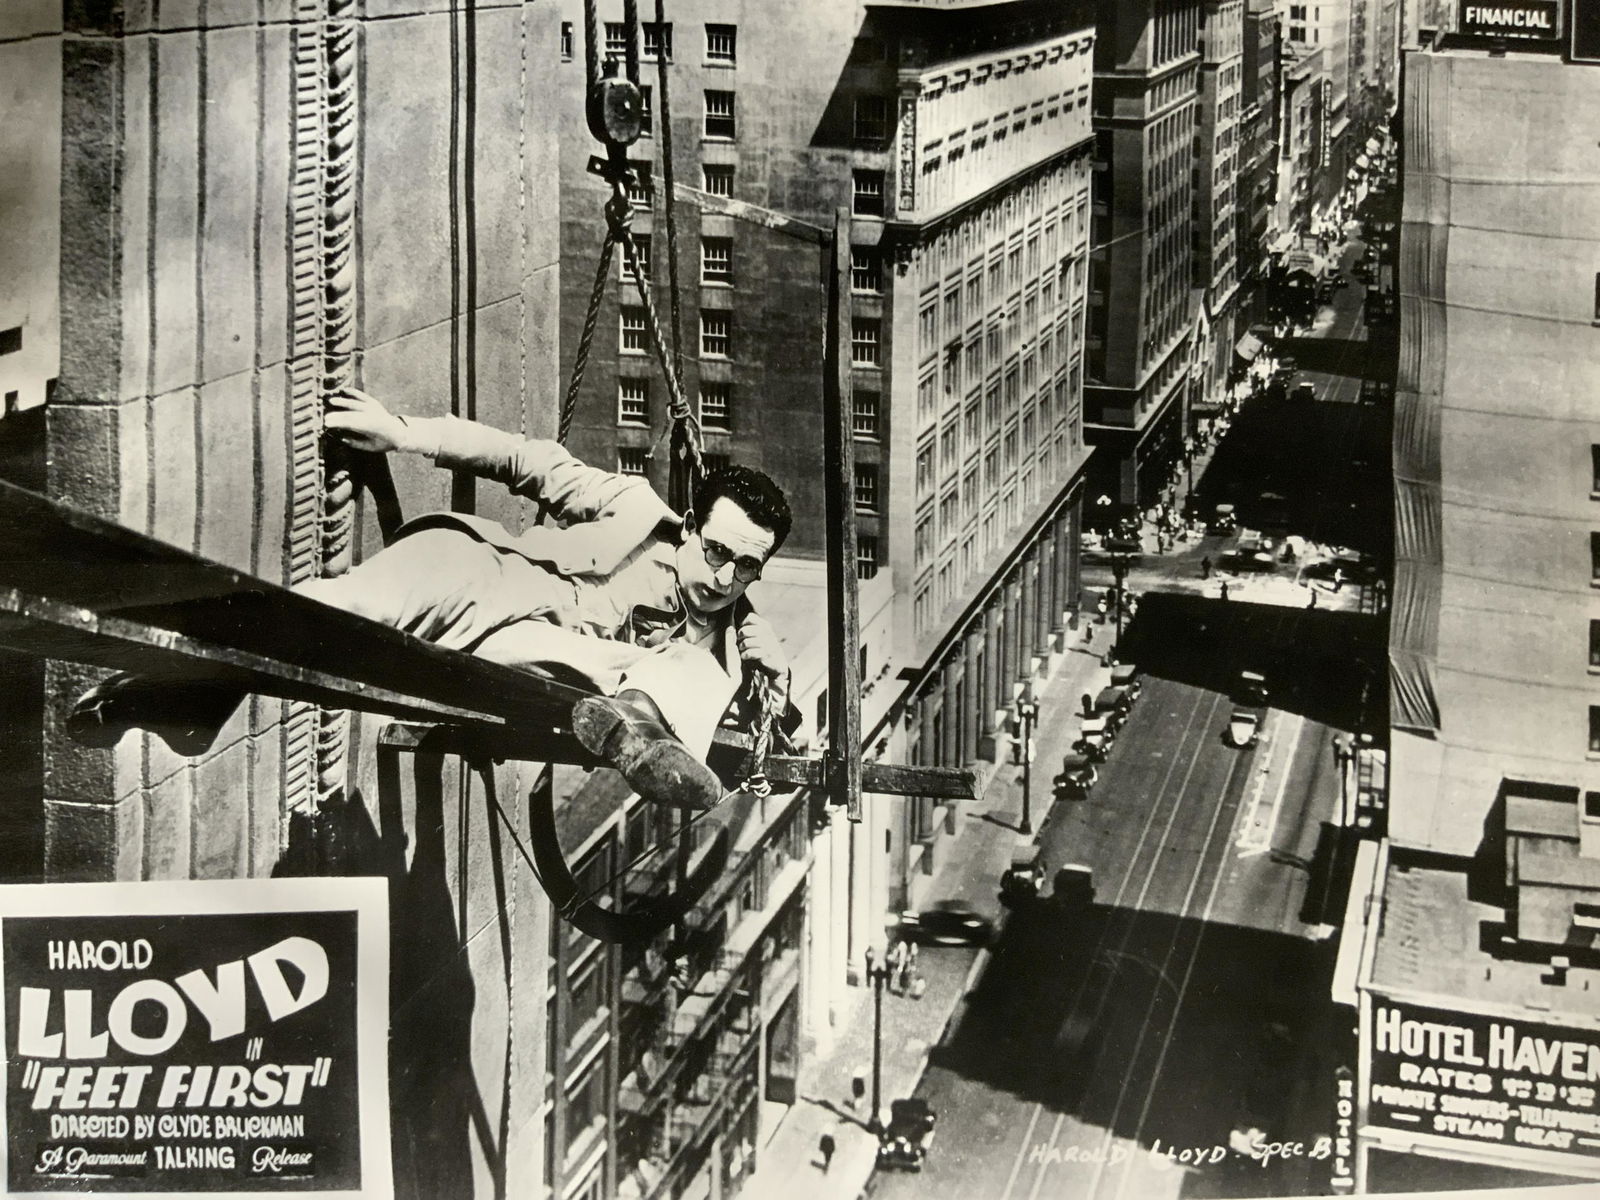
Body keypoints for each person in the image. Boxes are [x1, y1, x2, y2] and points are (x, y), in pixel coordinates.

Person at [70, 390, 800, 812]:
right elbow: (524, 459)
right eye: (716, 549)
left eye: (746, 566)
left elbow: (761, 704)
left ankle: (640, 729)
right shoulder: (637, 509)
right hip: (481, 578)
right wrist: (404, 433)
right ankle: (189, 696)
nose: (727, 574)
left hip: (538, 667)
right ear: (692, 524)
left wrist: (773, 672)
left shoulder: (734, 631)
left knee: (694, 675)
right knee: (331, 610)